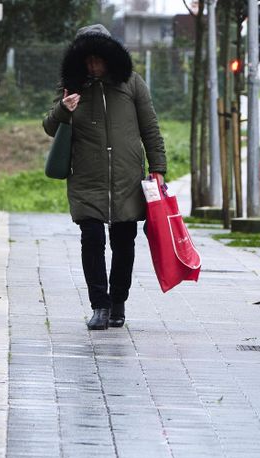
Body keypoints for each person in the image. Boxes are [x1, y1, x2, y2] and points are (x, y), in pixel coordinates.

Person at [43, 25, 166, 330]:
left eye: (99, 59)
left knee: (124, 243)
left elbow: (150, 128)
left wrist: (158, 169)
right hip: (87, 179)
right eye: (88, 60)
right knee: (92, 239)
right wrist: (63, 108)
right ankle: (99, 305)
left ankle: (118, 302)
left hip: (127, 179)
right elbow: (49, 127)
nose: (94, 66)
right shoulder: (72, 88)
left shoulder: (132, 84)